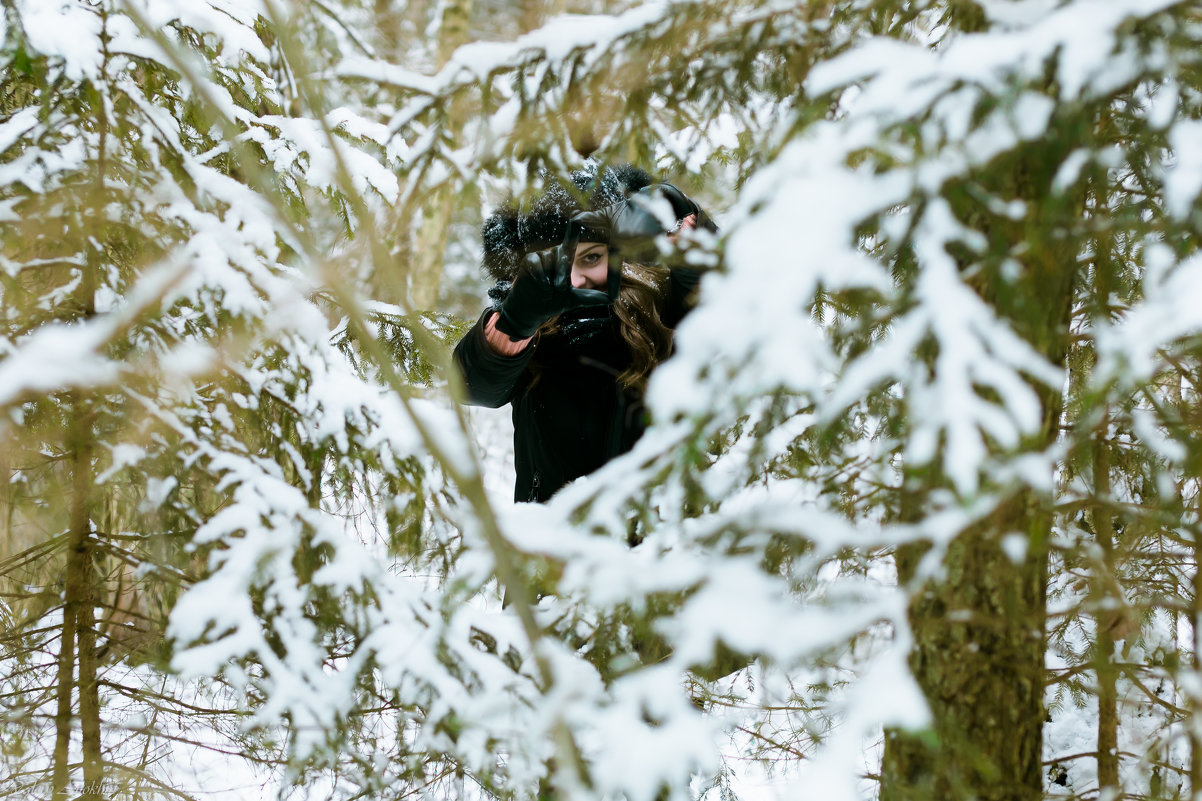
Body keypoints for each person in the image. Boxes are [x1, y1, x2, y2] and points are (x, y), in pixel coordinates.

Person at [452, 162, 716, 503]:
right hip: (555, 537)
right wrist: (516, 320)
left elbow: (729, 320)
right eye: (564, 252)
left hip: (659, 539)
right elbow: (472, 386)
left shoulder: (664, 302)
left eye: (593, 250)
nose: (581, 265)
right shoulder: (530, 322)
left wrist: (692, 225)